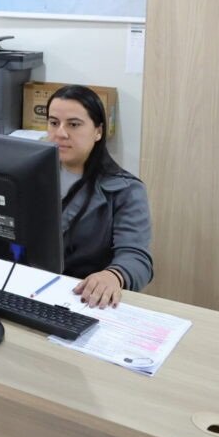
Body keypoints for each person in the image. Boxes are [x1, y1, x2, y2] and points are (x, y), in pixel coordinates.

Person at [46, 84, 153, 309]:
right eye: (54, 122)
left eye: (74, 124)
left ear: (98, 132)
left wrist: (114, 275)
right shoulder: (31, 175)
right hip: (31, 286)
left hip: (84, 298)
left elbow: (137, 258)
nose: (60, 133)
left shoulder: (126, 190)